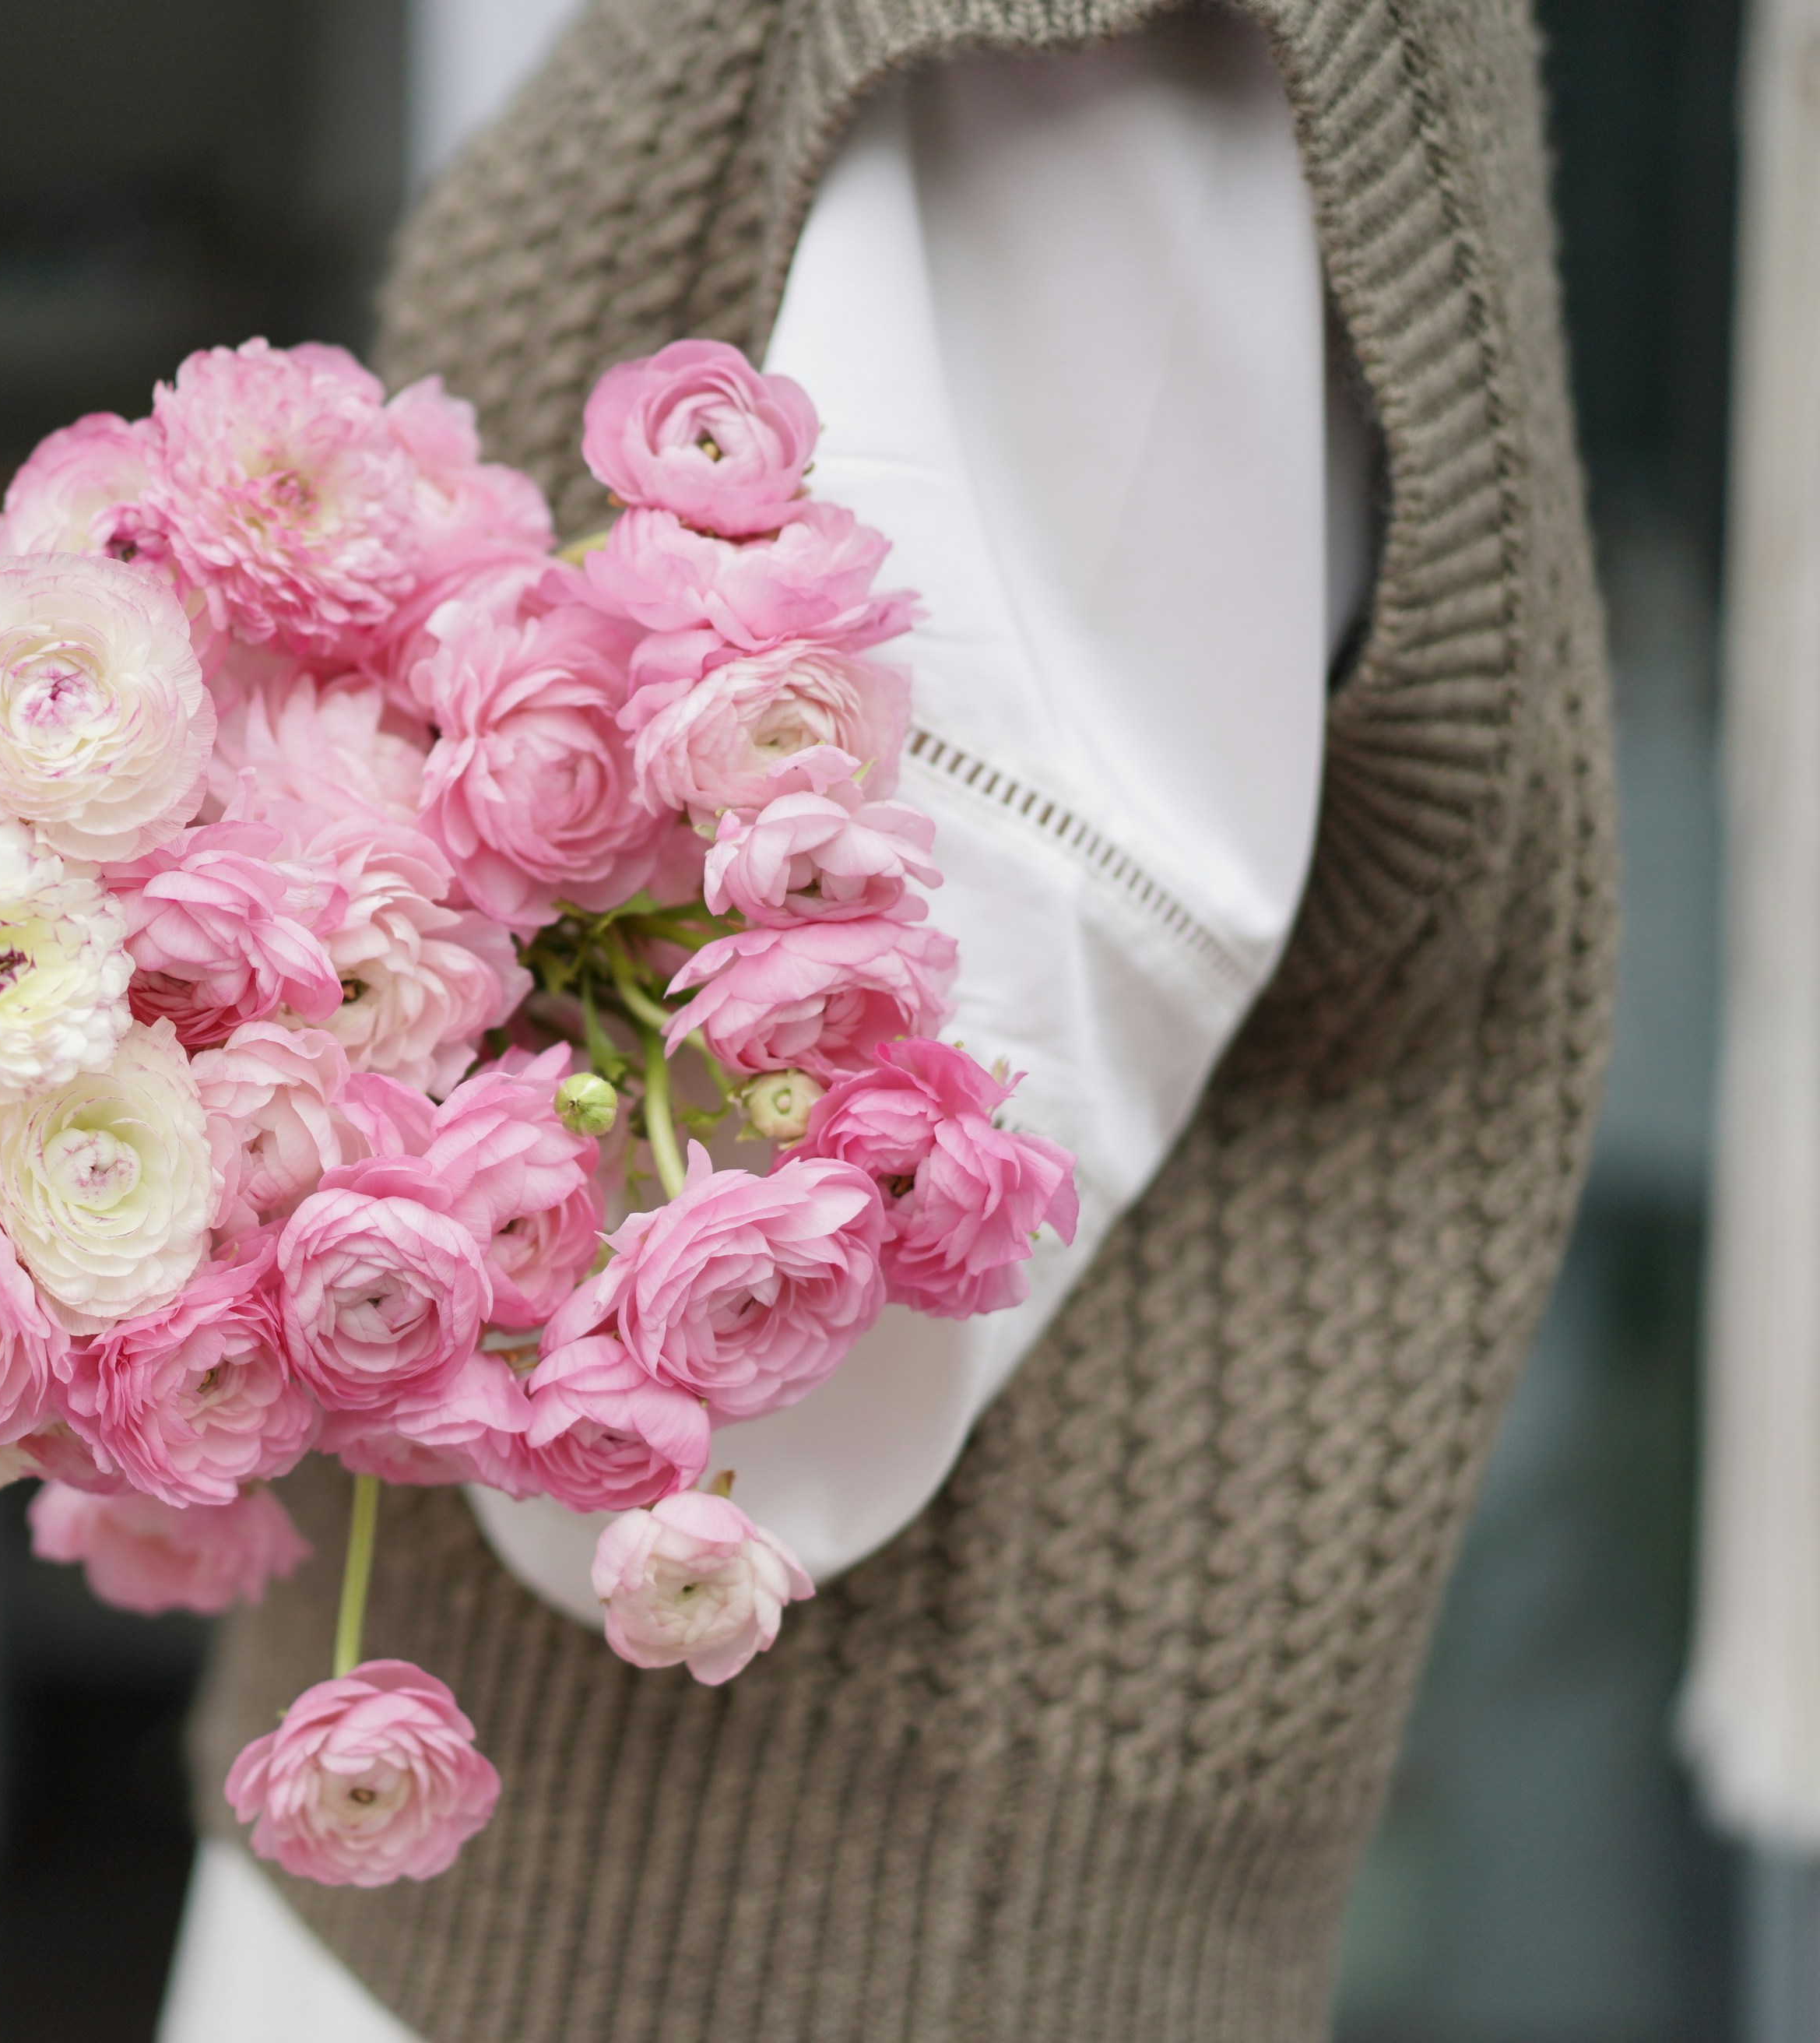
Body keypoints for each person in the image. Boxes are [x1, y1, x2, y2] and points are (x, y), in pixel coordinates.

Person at [163, 2, 1614, 2038]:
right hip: (594, 1894)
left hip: (773, 1913)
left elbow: (1013, 887)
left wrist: (311, 1202)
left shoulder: (1074, 50)